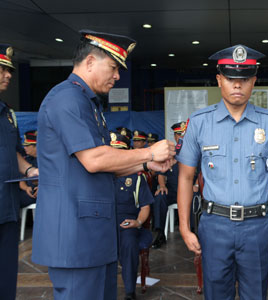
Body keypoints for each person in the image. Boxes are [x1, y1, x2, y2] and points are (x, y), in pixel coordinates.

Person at [32, 30, 176, 300]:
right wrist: (148, 153)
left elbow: (103, 164)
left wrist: (145, 167)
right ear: (89, 62)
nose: (118, 76)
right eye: (113, 67)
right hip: (76, 237)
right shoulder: (67, 99)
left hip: (92, 234)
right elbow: (94, 159)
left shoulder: (86, 102)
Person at [177, 44, 268, 300]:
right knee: (215, 294)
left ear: (254, 81)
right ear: (219, 80)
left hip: (256, 227)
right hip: (214, 226)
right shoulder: (199, 122)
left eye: (244, 79)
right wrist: (185, 228)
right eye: (231, 79)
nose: (237, 85)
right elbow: (186, 177)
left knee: (255, 294)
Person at [0, 44, 39, 300]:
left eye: (9, 70)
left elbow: (15, 152)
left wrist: (30, 170)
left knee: (6, 276)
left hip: (7, 206)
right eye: (3, 70)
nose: (9, 75)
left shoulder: (7, 114)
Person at [110, 132, 154, 300]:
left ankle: (129, 291)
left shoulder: (136, 178)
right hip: (103, 223)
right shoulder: (99, 175)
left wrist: (138, 222)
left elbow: (145, 206)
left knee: (129, 242)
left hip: (127, 223)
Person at [152, 122, 187, 249]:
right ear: (175, 136)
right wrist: (162, 185)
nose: (181, 137)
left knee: (196, 198)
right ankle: (160, 233)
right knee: (160, 197)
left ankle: (195, 234)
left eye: (183, 134)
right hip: (173, 191)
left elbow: (201, 173)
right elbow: (162, 172)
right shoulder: (169, 153)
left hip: (189, 191)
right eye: (178, 134)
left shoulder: (195, 151)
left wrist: (196, 185)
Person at [19, 130, 39, 207]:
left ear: (36, 146)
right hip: (29, 192)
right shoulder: (27, 160)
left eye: (27, 146)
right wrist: (26, 188)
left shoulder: (47, 161)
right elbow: (21, 181)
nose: (24, 148)